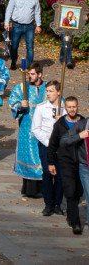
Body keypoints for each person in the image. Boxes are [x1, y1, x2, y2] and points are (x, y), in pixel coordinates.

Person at [47, 96, 86, 234]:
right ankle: (76, 223)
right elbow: (52, 144)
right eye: (69, 107)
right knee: (70, 191)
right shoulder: (60, 124)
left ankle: (70, 213)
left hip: (81, 162)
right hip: (65, 162)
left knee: (78, 191)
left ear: (77, 107)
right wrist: (51, 162)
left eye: (74, 106)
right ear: (65, 108)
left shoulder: (83, 122)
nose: (72, 109)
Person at [7, 63, 46, 196]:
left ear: (40, 74)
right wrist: (20, 105)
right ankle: (30, 190)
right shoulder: (22, 87)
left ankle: (43, 189)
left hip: (44, 129)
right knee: (29, 156)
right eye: (28, 74)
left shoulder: (48, 88)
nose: (30, 76)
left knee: (42, 157)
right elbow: (12, 102)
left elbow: (58, 101)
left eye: (33, 74)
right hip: (27, 128)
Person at [31, 80, 64, 216]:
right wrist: (49, 143)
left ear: (58, 92)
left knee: (60, 176)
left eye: (51, 91)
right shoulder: (41, 108)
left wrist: (62, 122)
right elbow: (35, 129)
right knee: (47, 173)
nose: (48, 94)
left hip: (61, 148)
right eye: (47, 91)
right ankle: (48, 203)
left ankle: (57, 203)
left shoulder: (64, 108)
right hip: (46, 146)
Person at [45, 0, 84, 68]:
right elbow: (50, 2)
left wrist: (84, 14)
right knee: (65, 40)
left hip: (73, 19)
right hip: (60, 19)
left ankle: (63, 57)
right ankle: (69, 60)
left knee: (67, 40)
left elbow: (82, 2)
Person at [4, 0, 41, 70]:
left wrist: (38, 25)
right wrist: (6, 22)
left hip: (29, 26)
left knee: (30, 46)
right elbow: (9, 10)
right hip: (17, 25)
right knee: (14, 46)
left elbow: (37, 12)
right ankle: (13, 61)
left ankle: (29, 65)